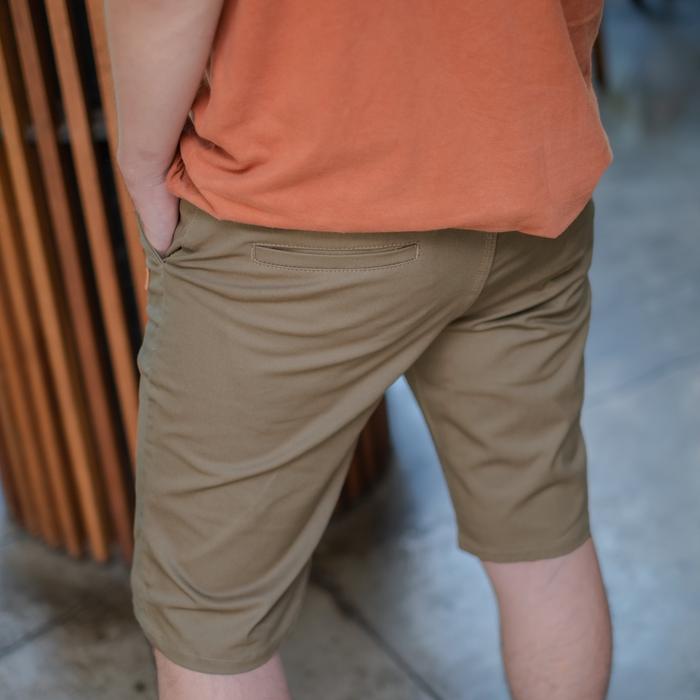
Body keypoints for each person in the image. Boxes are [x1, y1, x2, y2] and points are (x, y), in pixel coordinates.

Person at [106, 1, 614, 698]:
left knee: (209, 619)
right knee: (541, 538)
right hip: (526, 177)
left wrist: (140, 162)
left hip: (294, 207)